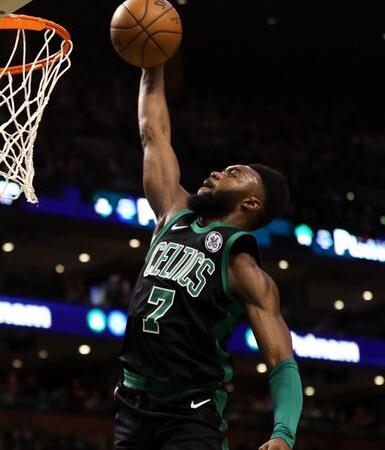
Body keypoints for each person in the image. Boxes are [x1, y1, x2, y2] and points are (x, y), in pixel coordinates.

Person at [114, 65, 302, 450]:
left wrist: (283, 432)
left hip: (190, 411)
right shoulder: (172, 210)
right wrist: (154, 65)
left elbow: (281, 358)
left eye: (233, 173)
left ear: (251, 202)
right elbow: (153, 133)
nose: (217, 171)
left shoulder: (242, 265)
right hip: (132, 404)